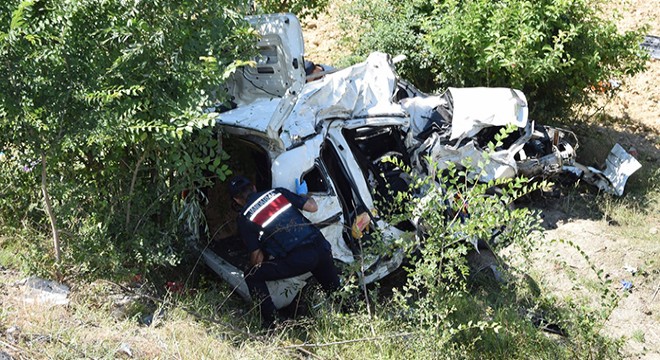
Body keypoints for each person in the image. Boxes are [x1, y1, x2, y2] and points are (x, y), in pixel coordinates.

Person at [228, 175, 340, 328]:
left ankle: (272, 324)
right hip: (321, 247)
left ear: (237, 200)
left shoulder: (245, 217)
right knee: (336, 291)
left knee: (252, 276)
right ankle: (353, 315)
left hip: (300, 258)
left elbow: (257, 259)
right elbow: (312, 207)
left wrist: (257, 261)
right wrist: (303, 194)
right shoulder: (277, 193)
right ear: (254, 187)